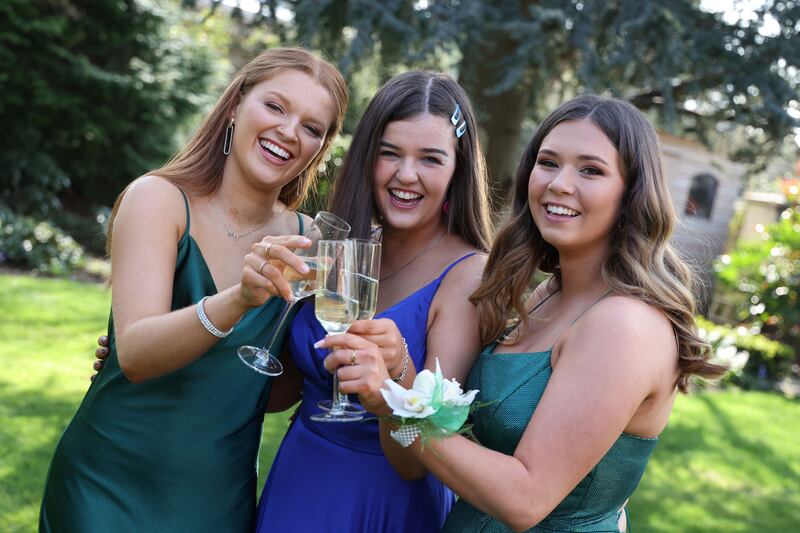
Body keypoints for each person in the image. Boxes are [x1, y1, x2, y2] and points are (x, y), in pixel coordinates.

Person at [327, 94, 727, 532]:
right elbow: (428, 454)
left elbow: (525, 500)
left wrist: (395, 403)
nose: (559, 183)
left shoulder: (623, 325)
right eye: (549, 162)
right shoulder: (546, 296)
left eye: (590, 170)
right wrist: (397, 385)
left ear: (632, 192)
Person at [40, 47, 348, 532]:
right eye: (275, 106)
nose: (289, 132)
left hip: (217, 499)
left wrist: (329, 360)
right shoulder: (158, 199)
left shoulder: (312, 244)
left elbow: (268, 394)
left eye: (312, 128)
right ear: (234, 106)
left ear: (320, 148)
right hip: (105, 486)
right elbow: (138, 356)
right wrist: (239, 299)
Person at [254, 70, 494, 532]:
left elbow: (417, 457)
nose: (407, 175)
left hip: (387, 502)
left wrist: (395, 380)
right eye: (390, 154)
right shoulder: (343, 248)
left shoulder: (467, 276)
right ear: (368, 159)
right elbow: (280, 394)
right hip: (300, 482)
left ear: (457, 169)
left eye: (430, 158)